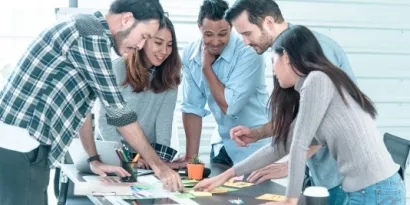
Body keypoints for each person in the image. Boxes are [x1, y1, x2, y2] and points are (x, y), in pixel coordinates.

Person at [195, 25, 406, 205]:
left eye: (273, 61)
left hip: (376, 191)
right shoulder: (316, 85)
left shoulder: (317, 80)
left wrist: (290, 199)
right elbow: (282, 145)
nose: (274, 72)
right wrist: (226, 175)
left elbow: (299, 144)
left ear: (286, 57)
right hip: (371, 190)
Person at [0, 1, 183, 204]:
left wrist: (94, 159)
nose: (140, 45)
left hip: (27, 147)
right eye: (144, 36)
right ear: (127, 19)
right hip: (22, 146)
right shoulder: (90, 35)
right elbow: (118, 113)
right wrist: (160, 168)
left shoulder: (88, 32)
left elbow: (83, 111)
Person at [221, 0, 357, 203]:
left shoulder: (313, 50)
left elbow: (328, 121)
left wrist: (289, 165)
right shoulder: (282, 53)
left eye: (247, 33)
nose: (245, 42)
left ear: (268, 22)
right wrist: (259, 133)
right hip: (318, 175)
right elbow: (298, 120)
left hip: (342, 176)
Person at [174, 0, 271, 167]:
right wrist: (192, 158)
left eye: (223, 33)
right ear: (199, 27)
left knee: (255, 193)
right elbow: (192, 107)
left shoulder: (249, 52)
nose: (216, 41)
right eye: (209, 34)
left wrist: (206, 68)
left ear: (232, 27)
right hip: (222, 146)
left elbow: (230, 106)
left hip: (255, 147)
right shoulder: (191, 53)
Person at [89, 16, 182, 170]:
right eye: (158, 43)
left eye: (170, 45)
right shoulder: (115, 69)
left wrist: (160, 162)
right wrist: (126, 159)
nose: (164, 51)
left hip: (147, 156)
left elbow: (164, 123)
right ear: (143, 41)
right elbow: (104, 123)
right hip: (113, 155)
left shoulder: (170, 75)